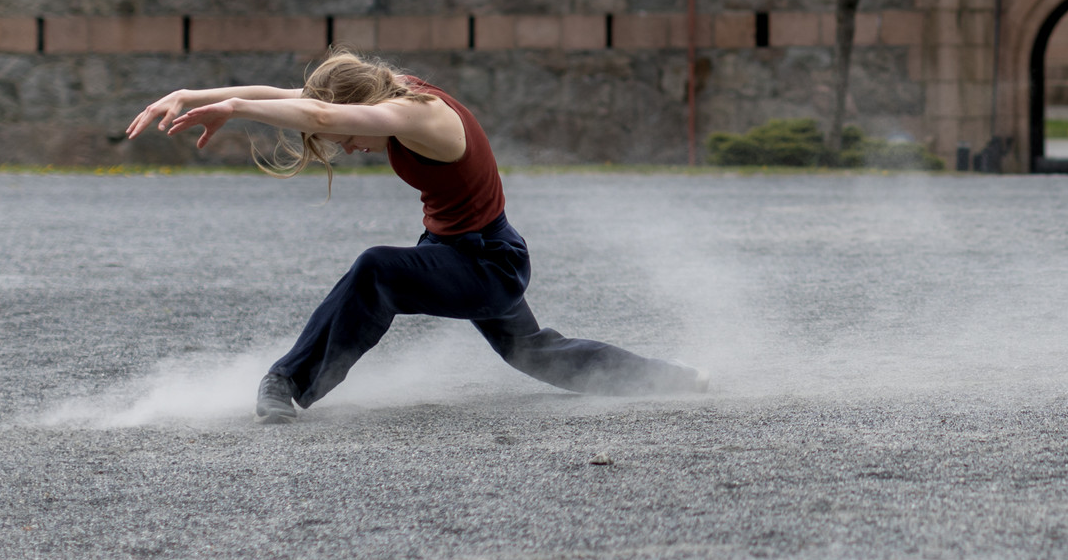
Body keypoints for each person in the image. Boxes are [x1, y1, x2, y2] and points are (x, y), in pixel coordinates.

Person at [127, 49, 707, 423]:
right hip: (458, 252)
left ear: (361, 105)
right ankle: (677, 379)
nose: (350, 148)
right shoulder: (389, 90)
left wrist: (232, 106)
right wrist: (194, 96)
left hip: (485, 263)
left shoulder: (417, 115)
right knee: (534, 353)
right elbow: (301, 101)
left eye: (351, 135)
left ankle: (286, 385)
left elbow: (325, 118)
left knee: (377, 269)